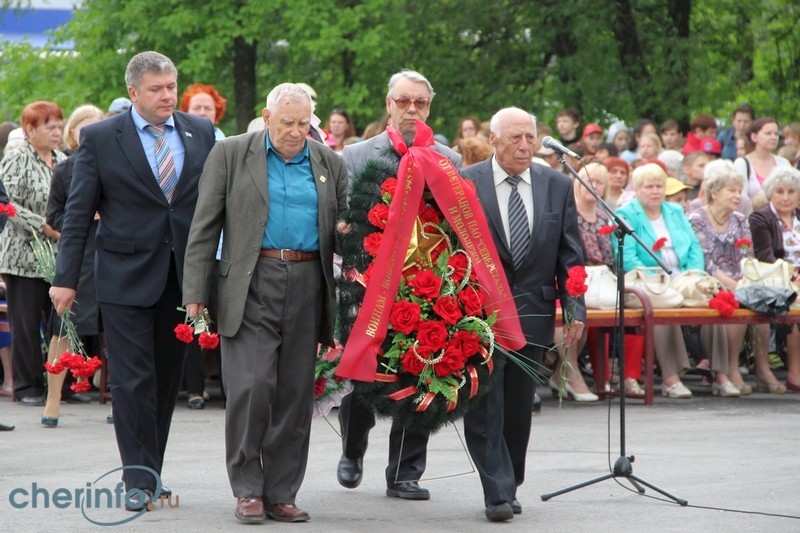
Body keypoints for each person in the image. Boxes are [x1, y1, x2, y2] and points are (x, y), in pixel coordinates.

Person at [50, 51, 215, 511]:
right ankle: (136, 478)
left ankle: (151, 470)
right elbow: (78, 212)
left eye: (171, 86)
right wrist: (66, 279)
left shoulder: (198, 131)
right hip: (124, 275)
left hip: (182, 276)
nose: (168, 96)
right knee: (130, 378)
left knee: (165, 379)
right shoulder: (102, 138)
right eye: (157, 89)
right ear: (133, 93)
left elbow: (208, 204)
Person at [181, 82, 347, 523]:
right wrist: (195, 292)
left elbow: (347, 229)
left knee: (295, 395)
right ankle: (248, 489)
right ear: (268, 116)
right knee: (252, 387)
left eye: (304, 123)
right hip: (252, 281)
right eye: (287, 122)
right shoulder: (232, 153)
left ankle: (281, 492)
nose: (296, 131)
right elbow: (204, 226)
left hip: (310, 281)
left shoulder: (330, 162)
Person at [336, 70, 461, 502]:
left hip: (424, 285)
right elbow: (344, 222)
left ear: (430, 107)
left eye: (420, 103)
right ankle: (353, 448)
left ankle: (405, 472)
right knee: (363, 376)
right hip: (369, 285)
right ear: (388, 104)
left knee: (422, 373)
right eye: (403, 101)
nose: (411, 110)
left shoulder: (448, 158)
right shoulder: (355, 155)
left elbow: (456, 224)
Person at [462, 107, 585, 520]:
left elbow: (571, 256)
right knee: (484, 404)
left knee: (518, 406)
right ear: (493, 139)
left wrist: (574, 308)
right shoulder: (466, 183)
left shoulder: (556, 184)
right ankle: (495, 491)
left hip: (533, 312)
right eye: (515, 138)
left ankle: (510, 480)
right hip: (480, 315)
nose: (525, 146)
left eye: (530, 137)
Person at [614, 163, 705, 398]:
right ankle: (670, 378)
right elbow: (628, 258)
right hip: (648, 281)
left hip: (682, 277)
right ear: (637, 189)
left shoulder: (674, 211)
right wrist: (661, 280)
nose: (655, 191)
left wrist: (693, 275)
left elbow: (694, 247)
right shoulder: (626, 215)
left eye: (659, 186)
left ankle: (725, 373)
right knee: (663, 306)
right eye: (649, 186)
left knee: (717, 301)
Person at [41, 104, 106, 427]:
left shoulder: (116, 166)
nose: (92, 134)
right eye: (85, 128)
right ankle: (52, 401)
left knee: (118, 332)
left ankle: (120, 402)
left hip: (111, 253)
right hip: (77, 255)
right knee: (62, 328)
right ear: (74, 133)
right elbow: (53, 216)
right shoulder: (66, 169)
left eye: (98, 128)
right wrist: (81, 217)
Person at [0, 101, 66, 406]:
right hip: (23, 256)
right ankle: (27, 387)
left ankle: (58, 385)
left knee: (59, 322)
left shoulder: (63, 159)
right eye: (49, 127)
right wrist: (44, 226)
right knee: (26, 325)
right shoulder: (16, 159)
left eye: (59, 126)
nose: (57, 132)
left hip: (57, 256)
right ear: (30, 130)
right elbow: (7, 205)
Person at [688, 159, 756, 396]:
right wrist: (734, 285)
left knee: (751, 300)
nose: (738, 196)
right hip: (711, 281)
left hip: (739, 279)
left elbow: (748, 255)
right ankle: (726, 369)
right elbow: (705, 261)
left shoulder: (739, 219)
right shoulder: (697, 219)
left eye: (739, 190)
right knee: (732, 299)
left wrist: (745, 281)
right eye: (732, 190)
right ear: (715, 192)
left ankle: (733, 365)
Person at [748, 165, 800, 392]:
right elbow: (765, 257)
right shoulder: (761, 218)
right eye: (780, 191)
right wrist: (794, 276)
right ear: (770, 192)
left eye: (791, 191)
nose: (786, 197)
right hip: (775, 278)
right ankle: (795, 374)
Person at [735, 117, 791, 200]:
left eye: (776, 134)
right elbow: (741, 199)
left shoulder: (784, 163)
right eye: (768, 133)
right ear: (754, 137)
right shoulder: (742, 163)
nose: (774, 137)